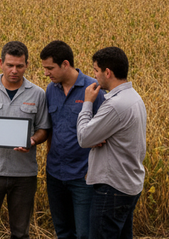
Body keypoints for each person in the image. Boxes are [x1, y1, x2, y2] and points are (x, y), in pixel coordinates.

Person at [0, 41, 51, 239]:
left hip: (24, 175)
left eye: (19, 66)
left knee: (21, 233)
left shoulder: (38, 94)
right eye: (10, 65)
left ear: (27, 65)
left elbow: (44, 129)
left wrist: (32, 141)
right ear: (1, 63)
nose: (14, 70)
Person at [76, 47, 147, 239]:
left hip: (112, 188)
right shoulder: (135, 98)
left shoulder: (116, 104)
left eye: (96, 70)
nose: (95, 76)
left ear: (108, 72)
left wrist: (87, 102)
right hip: (128, 185)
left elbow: (83, 138)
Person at [41, 40, 106, 239]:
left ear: (66, 64)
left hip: (82, 176)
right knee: (62, 231)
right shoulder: (51, 90)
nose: (46, 73)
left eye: (50, 68)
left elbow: (104, 132)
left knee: (84, 233)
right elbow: (50, 129)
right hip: (55, 174)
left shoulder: (93, 90)